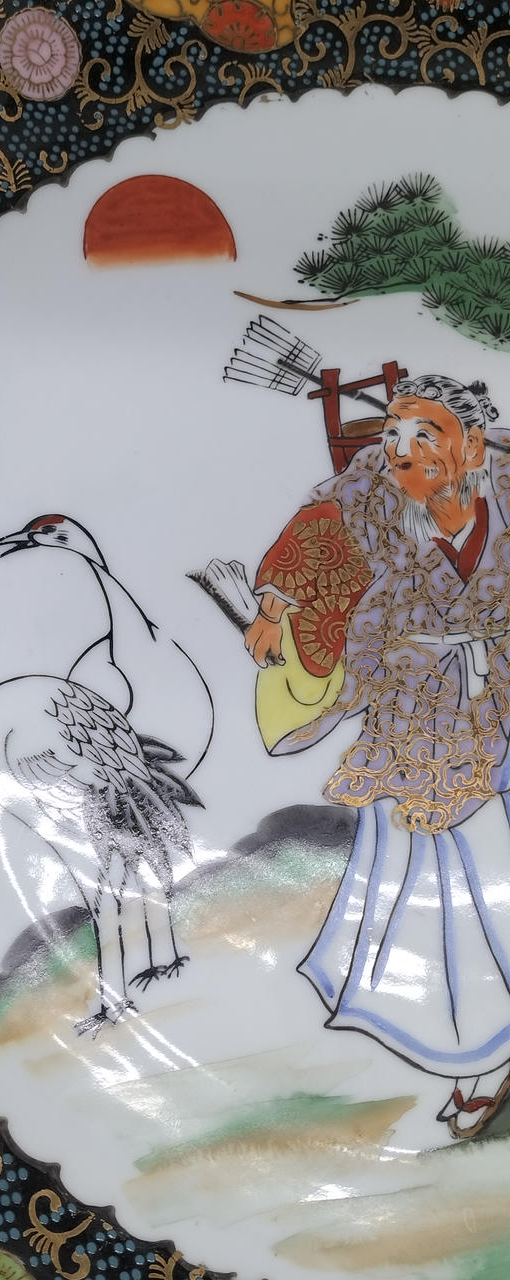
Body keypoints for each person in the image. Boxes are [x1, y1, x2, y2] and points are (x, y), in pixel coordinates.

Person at [245, 374, 510, 1138]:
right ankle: (472, 1054)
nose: (400, 450)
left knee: (488, 876)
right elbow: (314, 531)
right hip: (410, 700)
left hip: (496, 694)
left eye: (424, 435)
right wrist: (273, 606)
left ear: (471, 443)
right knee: (422, 886)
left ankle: (485, 1054)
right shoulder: (373, 494)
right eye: (392, 434)